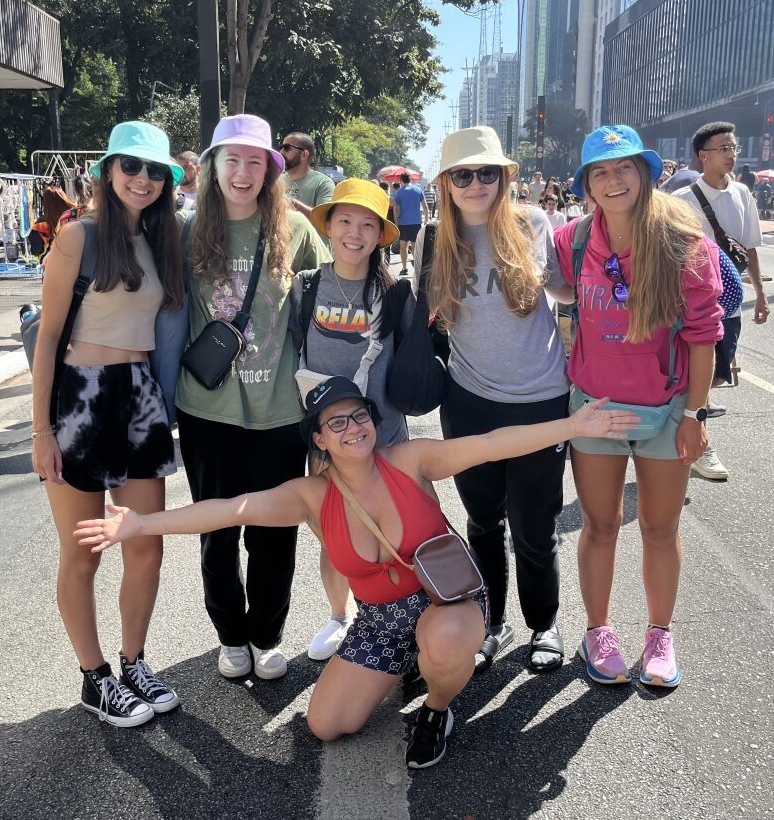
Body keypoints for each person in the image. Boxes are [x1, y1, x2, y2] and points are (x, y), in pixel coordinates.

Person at [76, 376, 638, 767]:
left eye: (359, 415)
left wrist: (570, 425)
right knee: (326, 725)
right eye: (335, 423)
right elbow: (230, 509)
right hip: (379, 625)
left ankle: (437, 708)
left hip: (448, 604)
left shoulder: (409, 461)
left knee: (442, 639)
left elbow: (490, 444)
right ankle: (410, 666)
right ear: (318, 440)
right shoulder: (310, 495)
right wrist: (140, 525)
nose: (352, 428)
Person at [554, 124, 723, 689]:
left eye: (624, 167)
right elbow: (528, 281)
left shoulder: (683, 242)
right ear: (587, 185)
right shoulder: (574, 241)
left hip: (665, 412)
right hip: (594, 411)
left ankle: (659, 634)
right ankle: (597, 631)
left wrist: (695, 417)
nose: (613, 179)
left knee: (657, 527)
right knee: (600, 525)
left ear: (646, 174)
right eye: (600, 171)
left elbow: (704, 336)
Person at [30, 120, 186, 728]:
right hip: (80, 399)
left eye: (155, 171)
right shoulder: (79, 238)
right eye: (132, 167)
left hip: (139, 396)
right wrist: (41, 431)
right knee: (83, 552)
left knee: (145, 545)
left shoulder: (160, 239)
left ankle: (133, 662)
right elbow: (47, 337)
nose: (143, 180)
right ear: (109, 170)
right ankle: (94, 678)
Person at [176, 114, 330, 681]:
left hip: (279, 410)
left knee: (274, 532)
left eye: (254, 161)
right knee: (218, 530)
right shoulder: (187, 230)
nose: (242, 172)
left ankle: (266, 634)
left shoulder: (296, 228)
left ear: (271, 168)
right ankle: (230, 635)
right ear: (213, 166)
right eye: (231, 160)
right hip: (206, 408)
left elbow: (329, 302)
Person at [420, 126, 571, 674]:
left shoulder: (533, 223)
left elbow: (566, 292)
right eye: (464, 174)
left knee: (534, 526)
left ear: (504, 177)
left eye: (488, 173)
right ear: (447, 183)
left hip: (540, 399)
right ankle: (491, 622)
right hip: (470, 400)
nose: (477, 183)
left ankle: (543, 623)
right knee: (483, 521)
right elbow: (424, 316)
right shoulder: (434, 238)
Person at [289, 179, 413, 662]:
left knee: (394, 532)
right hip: (327, 440)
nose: (354, 233)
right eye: (345, 220)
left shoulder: (396, 293)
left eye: (367, 224)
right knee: (336, 533)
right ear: (329, 225)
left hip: (384, 435)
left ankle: (390, 617)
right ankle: (341, 615)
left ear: (381, 235)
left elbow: (407, 358)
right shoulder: (306, 285)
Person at [671, 121, 770, 482]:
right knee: (692, 368)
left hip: (729, 300)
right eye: (723, 149)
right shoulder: (681, 202)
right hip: (691, 306)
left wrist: (759, 292)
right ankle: (697, 438)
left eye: (733, 148)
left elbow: (750, 246)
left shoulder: (743, 194)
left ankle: (693, 416)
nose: (730, 154)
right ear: (703, 156)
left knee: (717, 370)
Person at [281, 132, 335, 219]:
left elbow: (324, 220)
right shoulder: (275, 181)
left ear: (304, 155)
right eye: (281, 148)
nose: (281, 152)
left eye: (287, 148)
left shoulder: (323, 184)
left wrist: (291, 203)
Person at [392, 171, 427, 277]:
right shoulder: (418, 190)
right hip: (416, 222)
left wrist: (396, 221)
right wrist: (426, 218)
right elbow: (425, 206)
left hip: (403, 223)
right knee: (415, 247)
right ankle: (417, 268)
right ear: (410, 179)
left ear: (401, 180)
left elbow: (396, 208)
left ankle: (404, 268)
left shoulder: (398, 192)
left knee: (403, 247)